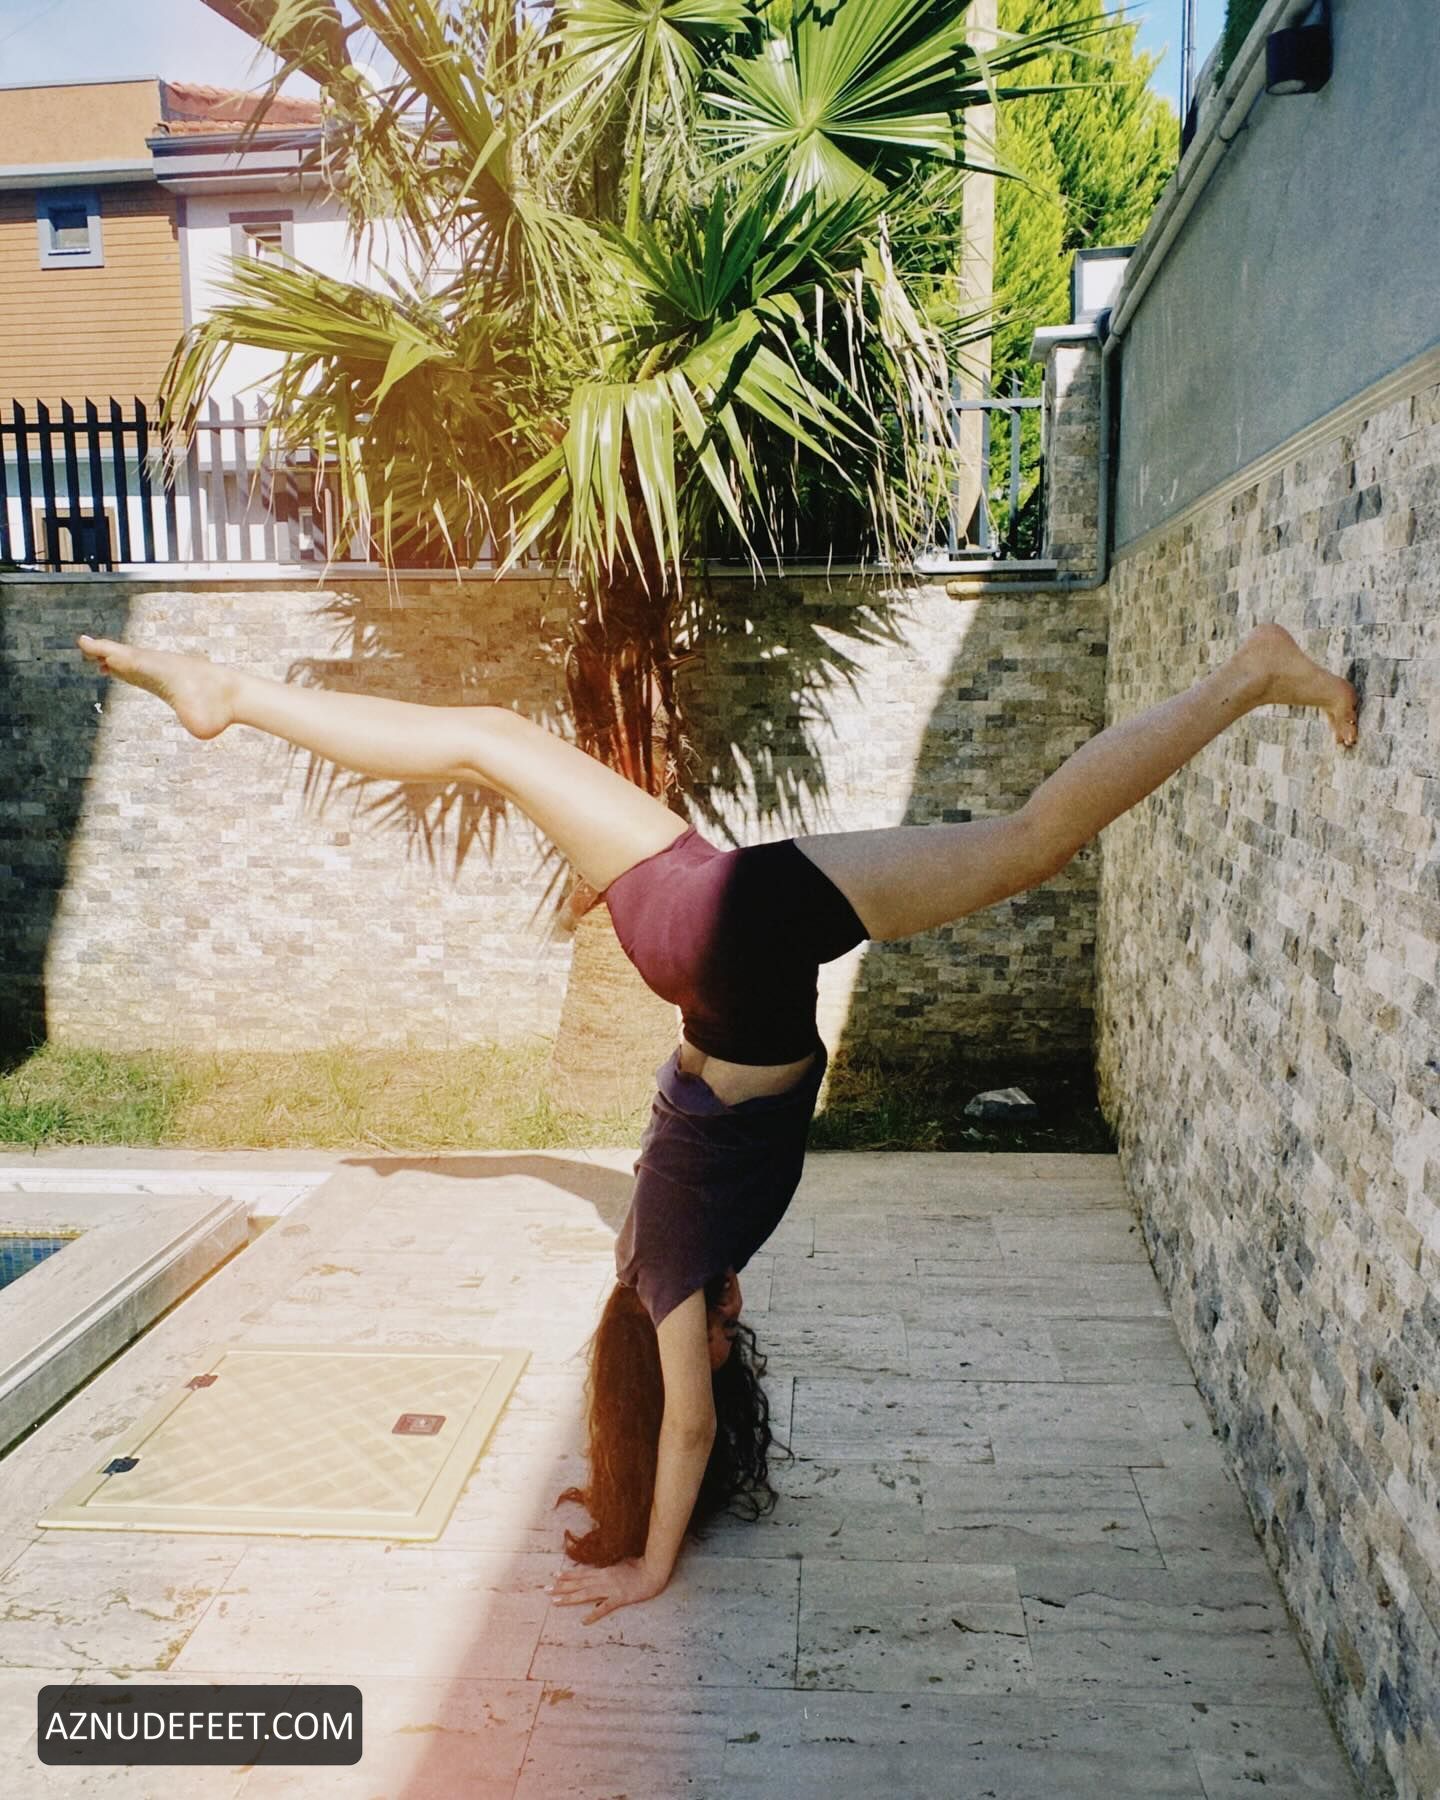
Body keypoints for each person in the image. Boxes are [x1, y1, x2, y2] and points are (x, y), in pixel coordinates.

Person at [74, 623, 1359, 1622]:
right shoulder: (646, 1240)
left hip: (739, 945)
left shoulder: (676, 1272)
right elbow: (673, 1140)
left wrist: (647, 1565)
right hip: (675, 921)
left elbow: (686, 1424)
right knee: (488, 739)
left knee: (1031, 840)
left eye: (717, 1343)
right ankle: (229, 695)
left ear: (676, 1344)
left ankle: (1248, 675)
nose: (731, 1332)